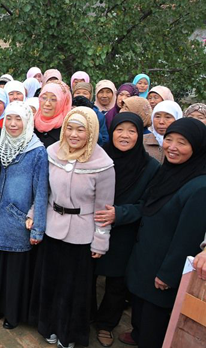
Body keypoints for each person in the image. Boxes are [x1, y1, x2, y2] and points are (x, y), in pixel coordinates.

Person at [105, 118, 206, 347]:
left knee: (154, 318)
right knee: (141, 308)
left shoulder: (200, 186)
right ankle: (137, 333)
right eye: (169, 140)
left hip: (163, 265)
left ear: (197, 147)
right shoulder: (169, 171)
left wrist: (169, 274)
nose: (172, 147)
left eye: (182, 143)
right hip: (146, 257)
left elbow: (188, 237)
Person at [30, 107, 115, 348]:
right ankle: (48, 326)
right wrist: (34, 215)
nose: (73, 134)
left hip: (81, 233)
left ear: (92, 132)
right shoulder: (52, 152)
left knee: (73, 288)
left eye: (81, 129)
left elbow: (103, 208)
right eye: (69, 128)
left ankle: (68, 334)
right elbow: (43, 192)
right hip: (52, 227)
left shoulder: (103, 164)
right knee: (50, 282)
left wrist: (100, 241)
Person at [92, 113, 160, 347]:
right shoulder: (98, 155)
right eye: (120, 129)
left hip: (125, 231)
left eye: (132, 131)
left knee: (117, 283)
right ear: (111, 131)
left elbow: (148, 204)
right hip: (92, 225)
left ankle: (106, 324)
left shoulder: (150, 166)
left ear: (139, 135)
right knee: (87, 275)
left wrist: (119, 214)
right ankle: (86, 315)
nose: (125, 135)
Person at [0, 101, 48, 329]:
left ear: (27, 122)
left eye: (18, 119)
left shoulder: (36, 151)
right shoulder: (1, 143)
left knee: (16, 271)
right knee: (0, 267)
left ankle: (13, 315)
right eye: (9, 118)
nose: (13, 124)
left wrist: (37, 228)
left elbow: (41, 191)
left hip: (19, 220)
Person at [34, 82, 73, 147]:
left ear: (63, 102)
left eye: (53, 99)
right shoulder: (30, 125)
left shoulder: (68, 130)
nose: (47, 103)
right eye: (44, 98)